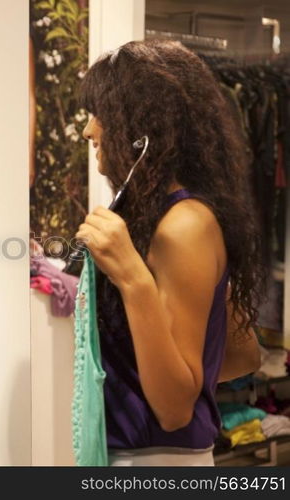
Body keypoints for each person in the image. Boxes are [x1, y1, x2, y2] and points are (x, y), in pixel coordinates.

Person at [76, 40, 262, 466]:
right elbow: (239, 352)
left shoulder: (183, 226)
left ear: (141, 126)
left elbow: (176, 410)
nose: (89, 130)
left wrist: (133, 279)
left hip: (154, 460)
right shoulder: (163, 216)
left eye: (100, 114)